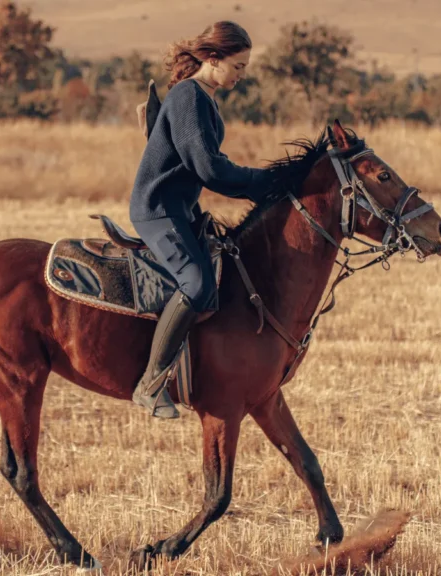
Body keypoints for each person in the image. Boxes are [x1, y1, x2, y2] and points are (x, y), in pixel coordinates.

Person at [129, 21, 273, 419]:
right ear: (213, 58)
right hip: (158, 210)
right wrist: (267, 183)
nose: (241, 75)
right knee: (196, 284)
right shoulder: (190, 97)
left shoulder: (201, 97)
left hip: (180, 209)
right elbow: (211, 170)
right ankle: (152, 383)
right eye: (238, 66)